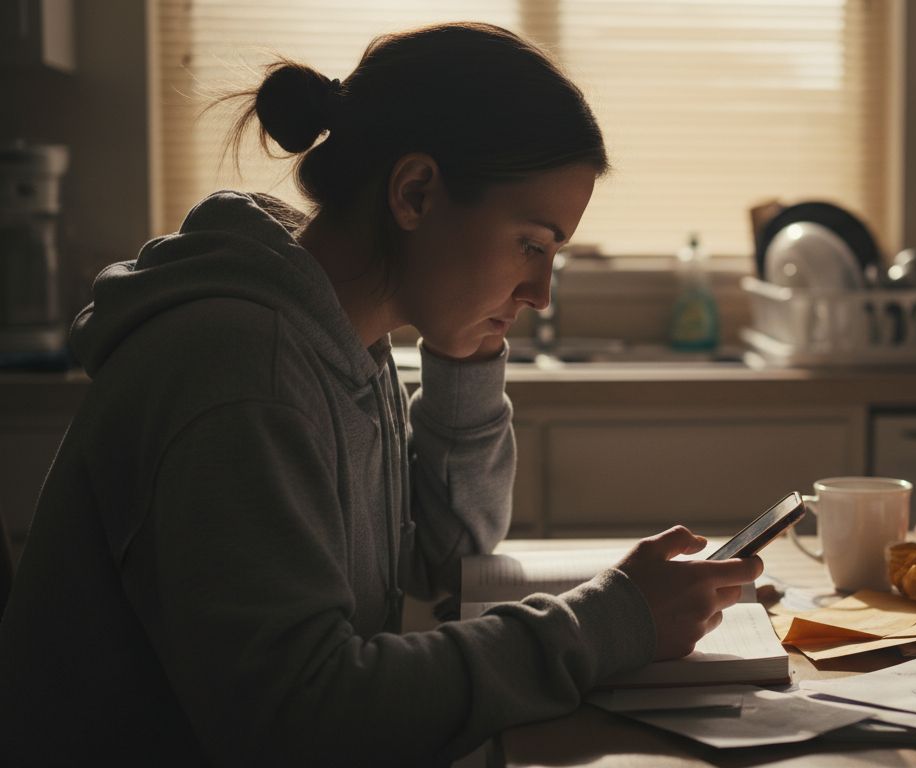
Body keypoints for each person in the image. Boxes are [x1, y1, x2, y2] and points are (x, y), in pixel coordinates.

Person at [0, 22, 762, 766]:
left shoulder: (344, 341)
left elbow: (448, 555)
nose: (542, 293)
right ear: (416, 192)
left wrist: (466, 355)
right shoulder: (243, 374)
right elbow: (300, 721)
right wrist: (608, 624)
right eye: (531, 245)